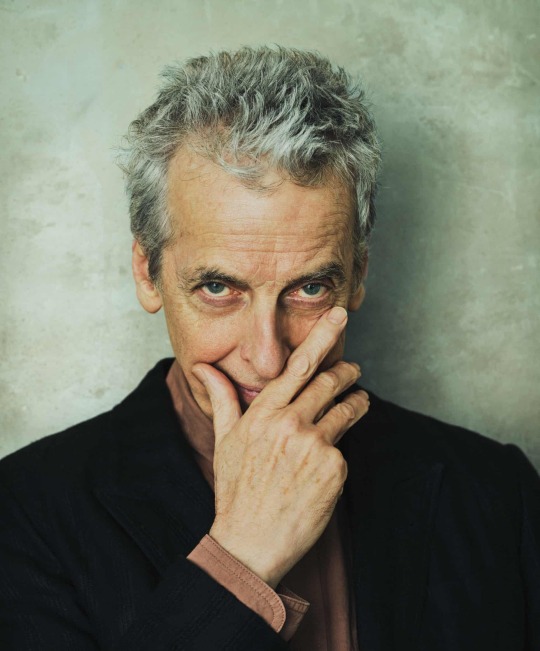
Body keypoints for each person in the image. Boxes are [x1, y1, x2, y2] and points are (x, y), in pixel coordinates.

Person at [1, 46, 539, 651]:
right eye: (218, 288)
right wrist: (241, 557)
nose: (268, 357)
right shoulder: (21, 511)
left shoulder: (499, 493)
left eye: (310, 289)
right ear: (148, 274)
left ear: (358, 276)